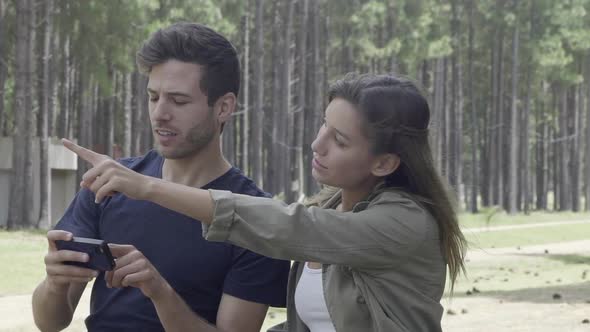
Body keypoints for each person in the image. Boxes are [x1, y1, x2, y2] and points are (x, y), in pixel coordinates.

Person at [63, 73, 467, 332]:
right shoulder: (328, 208)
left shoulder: (404, 222)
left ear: (385, 162)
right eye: (324, 125)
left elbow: (290, 227)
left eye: (339, 141)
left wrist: (147, 187)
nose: (317, 144)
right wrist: (159, 291)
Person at [32, 22, 290, 332]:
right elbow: (49, 322)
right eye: (154, 97)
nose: (160, 113)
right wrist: (55, 283)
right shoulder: (109, 184)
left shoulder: (254, 217)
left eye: (179, 101)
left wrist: (160, 292)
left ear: (223, 108)